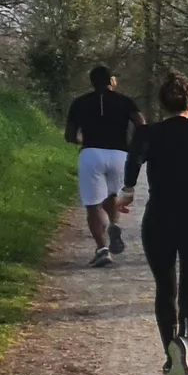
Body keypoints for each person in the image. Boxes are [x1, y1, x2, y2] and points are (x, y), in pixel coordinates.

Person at [117, 72, 188, 375]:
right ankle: (184, 342)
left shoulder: (149, 132)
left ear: (161, 104)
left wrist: (127, 191)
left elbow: (134, 159)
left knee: (165, 288)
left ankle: (170, 353)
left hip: (161, 218)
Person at [65, 66, 145, 268]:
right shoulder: (125, 101)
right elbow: (141, 123)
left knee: (93, 205)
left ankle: (102, 249)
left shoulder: (79, 102)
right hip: (120, 154)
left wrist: (83, 139)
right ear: (112, 80)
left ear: (92, 82)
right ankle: (114, 225)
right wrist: (135, 143)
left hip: (91, 153)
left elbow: (70, 135)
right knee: (112, 196)